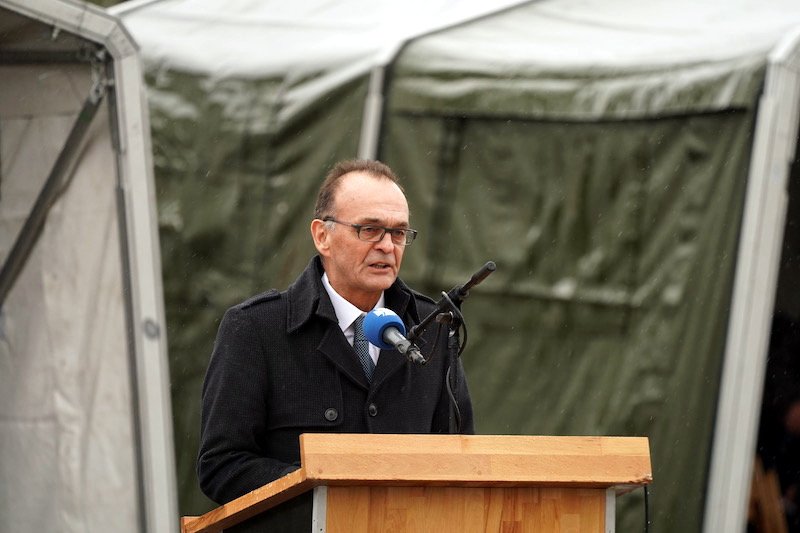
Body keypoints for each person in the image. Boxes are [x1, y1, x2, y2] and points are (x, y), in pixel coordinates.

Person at [197, 159, 475, 505]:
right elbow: (222, 466)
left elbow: (461, 462)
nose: (388, 246)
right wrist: (317, 487)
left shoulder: (434, 327)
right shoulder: (256, 329)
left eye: (399, 232)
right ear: (322, 235)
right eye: (370, 229)